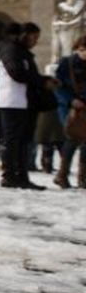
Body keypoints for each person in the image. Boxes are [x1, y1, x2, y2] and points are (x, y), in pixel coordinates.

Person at [0, 22, 52, 189]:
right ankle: (10, 175)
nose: (36, 41)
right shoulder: (10, 50)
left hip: (22, 101)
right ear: (25, 34)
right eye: (34, 37)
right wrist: (42, 81)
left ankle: (21, 176)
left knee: (23, 141)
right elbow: (16, 73)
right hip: (13, 101)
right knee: (14, 141)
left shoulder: (20, 51)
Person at [52, 35, 86, 188]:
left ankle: (83, 177)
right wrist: (70, 100)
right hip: (69, 107)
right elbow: (58, 85)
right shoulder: (67, 63)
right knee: (72, 139)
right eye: (82, 50)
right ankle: (62, 174)